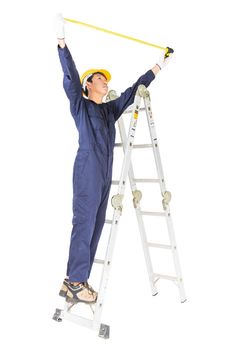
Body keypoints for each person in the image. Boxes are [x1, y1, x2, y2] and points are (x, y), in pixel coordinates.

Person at [55, 13, 172, 304]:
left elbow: (133, 91)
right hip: (87, 172)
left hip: (105, 174)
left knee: (95, 224)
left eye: (105, 80)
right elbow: (70, 76)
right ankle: (75, 280)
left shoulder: (108, 111)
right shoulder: (79, 105)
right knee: (84, 222)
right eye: (99, 79)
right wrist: (61, 43)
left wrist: (159, 65)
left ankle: (77, 280)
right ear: (88, 86)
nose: (105, 82)